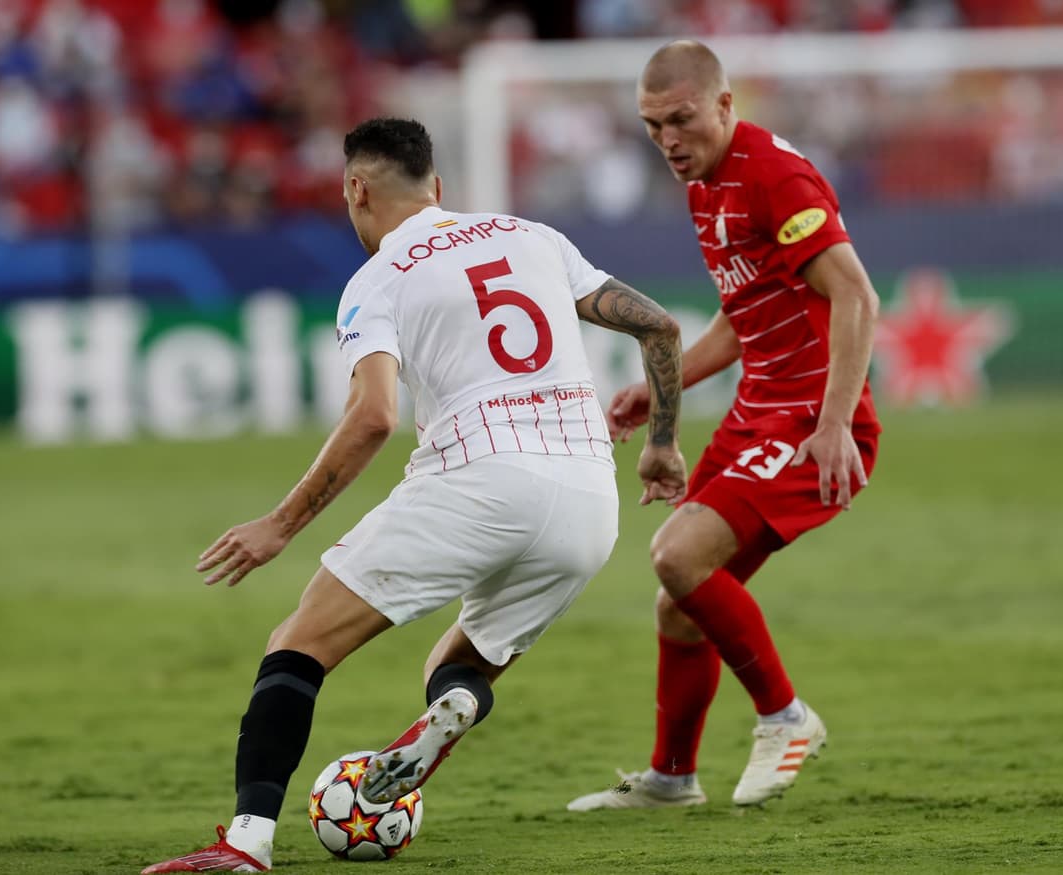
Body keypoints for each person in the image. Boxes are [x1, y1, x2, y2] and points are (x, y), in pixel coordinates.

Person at [142, 117, 686, 873]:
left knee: (299, 644)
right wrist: (661, 443)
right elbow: (660, 327)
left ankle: (247, 842)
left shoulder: (378, 279)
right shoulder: (534, 237)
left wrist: (281, 524)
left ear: (356, 190)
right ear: (438, 186)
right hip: (589, 496)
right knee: (463, 665)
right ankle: (452, 709)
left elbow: (374, 415)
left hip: (480, 473)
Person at [567, 40, 882, 811]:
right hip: (758, 412)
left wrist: (835, 421)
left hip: (810, 417)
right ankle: (672, 778)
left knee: (677, 554)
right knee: (678, 599)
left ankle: (786, 716)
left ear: (725, 105)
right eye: (652, 126)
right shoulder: (705, 186)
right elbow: (743, 318)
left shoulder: (774, 176)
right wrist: (660, 388)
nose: (668, 140)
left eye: (681, 119)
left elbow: (856, 296)